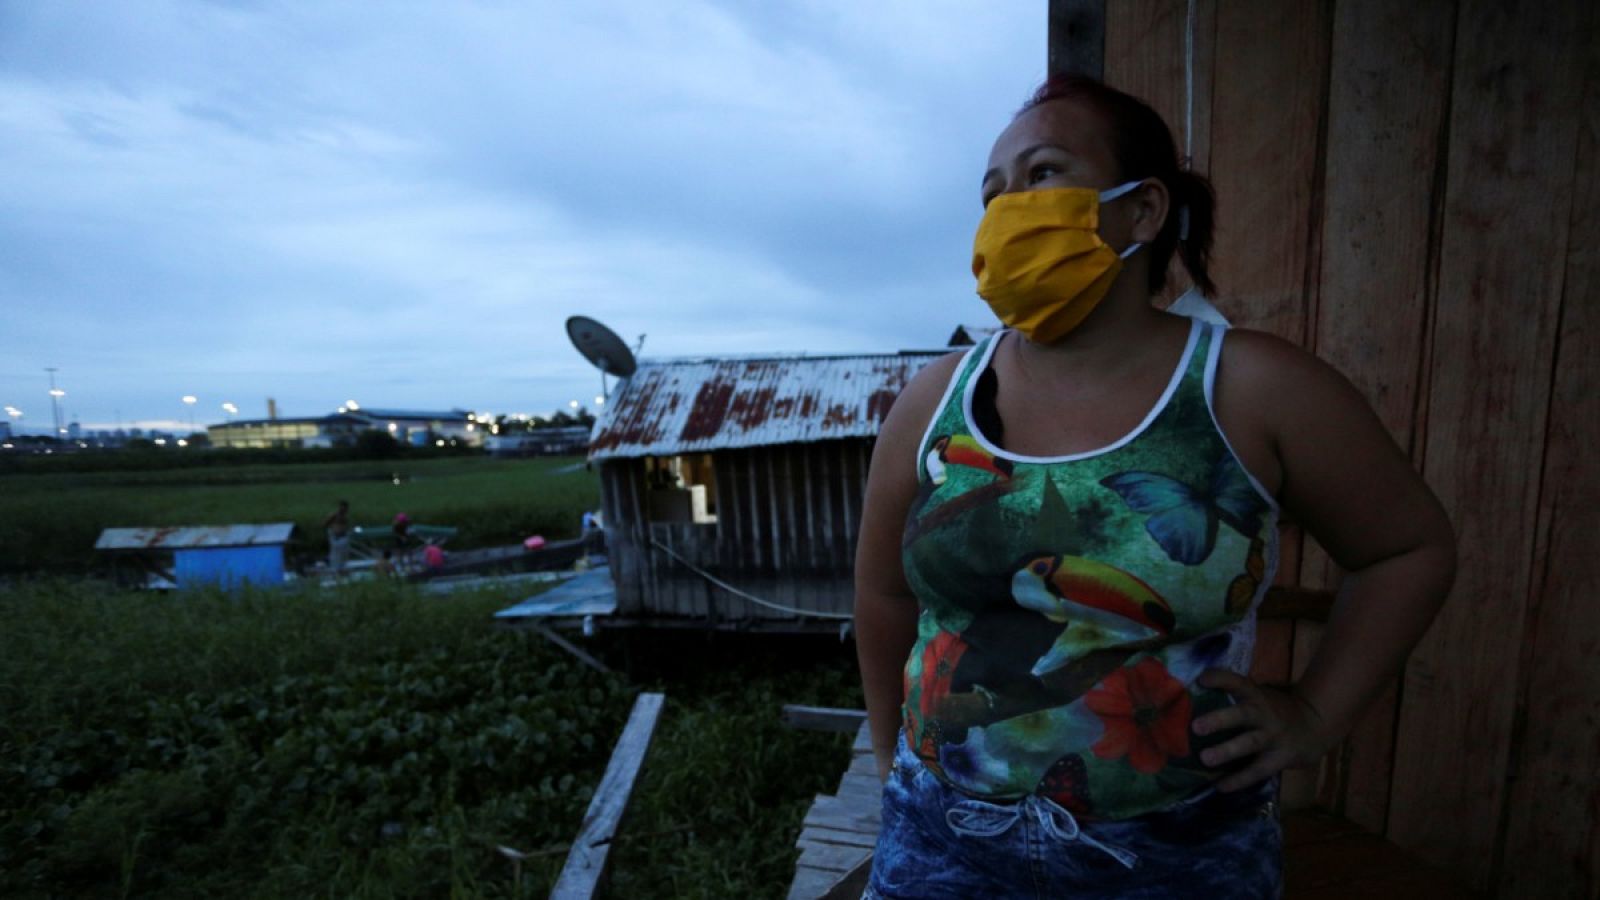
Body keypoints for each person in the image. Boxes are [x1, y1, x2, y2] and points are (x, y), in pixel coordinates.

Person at [853, 76, 1456, 898]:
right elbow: (884, 593)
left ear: (1142, 211)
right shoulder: (933, 402)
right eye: (991, 192)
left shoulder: (1253, 388)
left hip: (1180, 853)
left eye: (1042, 175)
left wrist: (1314, 716)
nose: (1006, 209)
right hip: (942, 841)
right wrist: (892, 764)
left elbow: (1407, 550)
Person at [323, 499, 351, 577]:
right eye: (343, 508)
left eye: (346, 508)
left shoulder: (345, 517)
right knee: (335, 556)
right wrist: (331, 531)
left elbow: (346, 526)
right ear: (340, 507)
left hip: (343, 538)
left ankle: (342, 570)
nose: (344, 509)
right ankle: (334, 571)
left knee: (344, 555)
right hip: (335, 538)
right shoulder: (334, 515)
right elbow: (325, 523)